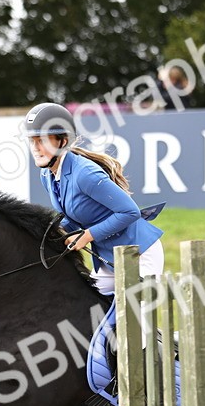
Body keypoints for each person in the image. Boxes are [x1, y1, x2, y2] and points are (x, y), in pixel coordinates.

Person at [24, 102, 164, 296]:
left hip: (139, 253)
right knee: (90, 314)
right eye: (33, 141)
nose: (36, 148)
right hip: (109, 259)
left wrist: (87, 236)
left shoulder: (85, 173)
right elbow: (72, 217)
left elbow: (130, 212)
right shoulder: (47, 176)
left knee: (129, 317)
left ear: (62, 142)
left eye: (43, 141)